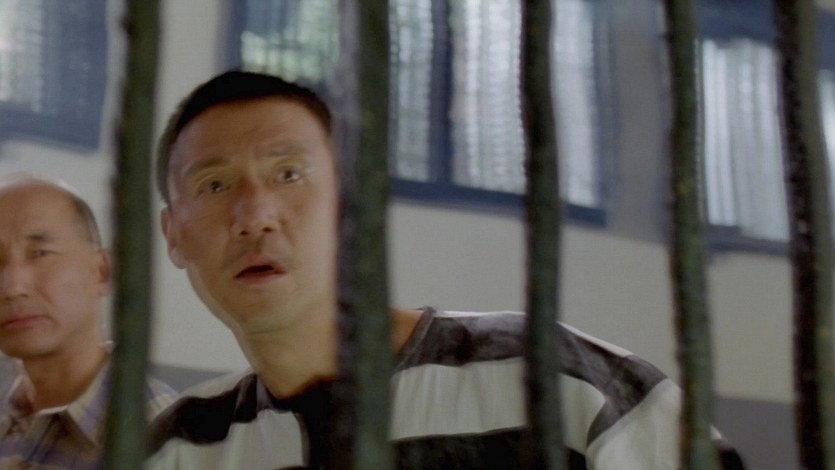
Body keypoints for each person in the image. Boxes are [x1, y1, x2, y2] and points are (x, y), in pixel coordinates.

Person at [147, 70, 745, 469]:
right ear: (174, 235)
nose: (255, 216)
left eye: (289, 174)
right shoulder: (177, 449)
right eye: (214, 185)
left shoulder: (553, 382)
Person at [0, 175, 176, 469]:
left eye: (40, 253)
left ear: (101, 271)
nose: (12, 286)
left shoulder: (158, 435)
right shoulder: (9, 422)